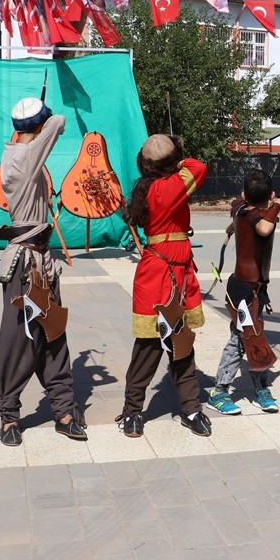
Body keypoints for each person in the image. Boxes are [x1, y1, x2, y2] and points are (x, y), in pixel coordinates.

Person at [0, 98, 85, 447]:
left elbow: (44, 127)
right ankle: (9, 416)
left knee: (53, 334)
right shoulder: (23, 158)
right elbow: (59, 121)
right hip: (23, 265)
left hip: (42, 262)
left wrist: (35, 119)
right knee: (18, 341)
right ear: (33, 128)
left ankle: (63, 410)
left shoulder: (20, 151)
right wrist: (46, 113)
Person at [118, 134, 211, 439]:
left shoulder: (148, 186)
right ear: (169, 164)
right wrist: (178, 157)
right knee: (148, 347)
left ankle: (191, 407)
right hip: (160, 274)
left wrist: (166, 161)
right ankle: (132, 411)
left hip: (175, 272)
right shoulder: (166, 187)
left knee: (181, 345)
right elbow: (197, 166)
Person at [206, 169, 280, 416]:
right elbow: (263, 228)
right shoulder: (255, 215)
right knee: (242, 340)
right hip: (244, 291)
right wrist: (278, 207)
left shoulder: (240, 207)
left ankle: (260, 388)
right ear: (271, 194)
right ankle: (219, 391)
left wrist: (233, 227)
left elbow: (238, 215)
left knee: (252, 338)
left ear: (244, 193)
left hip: (252, 289)